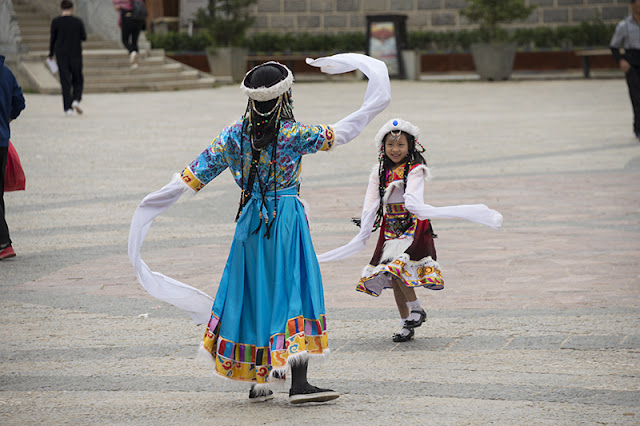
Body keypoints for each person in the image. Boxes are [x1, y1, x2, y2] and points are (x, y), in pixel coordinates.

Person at [128, 54, 390, 403]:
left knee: (255, 293)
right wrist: (374, 96)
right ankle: (298, 383)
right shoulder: (293, 133)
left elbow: (191, 176)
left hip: (251, 222)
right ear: (284, 96)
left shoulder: (233, 135)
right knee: (293, 289)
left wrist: (151, 204)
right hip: (285, 219)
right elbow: (343, 132)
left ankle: (259, 379)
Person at [317, 118, 503, 342]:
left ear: (411, 146)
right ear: (382, 147)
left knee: (398, 269)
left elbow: (413, 198)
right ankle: (406, 323)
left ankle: (416, 308)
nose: (395, 149)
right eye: (390, 145)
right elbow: (371, 202)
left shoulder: (415, 170)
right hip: (390, 227)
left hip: (412, 225)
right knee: (394, 277)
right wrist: (365, 227)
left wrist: (412, 202)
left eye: (401, 145)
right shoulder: (378, 172)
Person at [0, 56, 26, 260]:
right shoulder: (6, 73)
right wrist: (7, 120)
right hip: (2, 141)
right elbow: (19, 101)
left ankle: (4, 242)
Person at [48, 0, 86, 116]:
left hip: (61, 54)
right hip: (75, 53)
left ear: (61, 8)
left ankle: (67, 108)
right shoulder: (78, 22)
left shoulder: (55, 22)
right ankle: (76, 99)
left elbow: (53, 39)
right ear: (72, 8)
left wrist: (50, 54)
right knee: (77, 78)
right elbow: (83, 37)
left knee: (65, 81)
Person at [610, 0, 640, 140]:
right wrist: (621, 60)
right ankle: (638, 127)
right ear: (631, 5)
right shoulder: (624, 25)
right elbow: (614, 46)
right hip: (633, 63)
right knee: (636, 97)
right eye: (636, 2)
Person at [113, 0, 145, 68]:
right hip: (138, 19)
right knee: (134, 42)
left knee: (125, 40)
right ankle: (135, 62)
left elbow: (116, 7)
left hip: (126, 18)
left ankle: (132, 52)